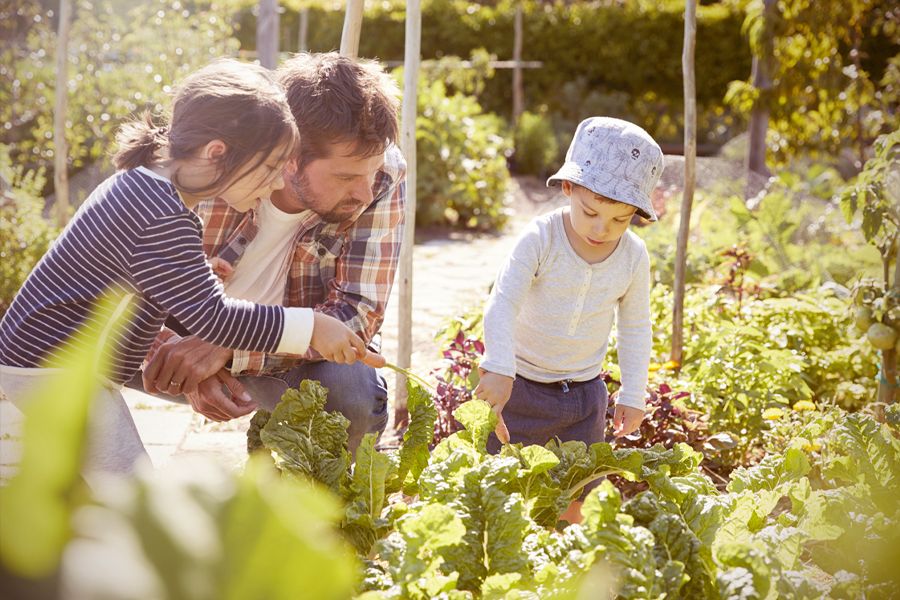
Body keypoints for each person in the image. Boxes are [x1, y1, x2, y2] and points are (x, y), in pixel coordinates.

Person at [0, 59, 382, 484]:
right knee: (130, 495)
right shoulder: (163, 214)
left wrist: (197, 270)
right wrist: (311, 325)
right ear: (216, 153)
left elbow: (136, 274)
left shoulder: (144, 187)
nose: (276, 184)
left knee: (91, 489)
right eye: (271, 168)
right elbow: (214, 319)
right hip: (55, 370)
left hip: (48, 363)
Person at [138, 52, 406, 454]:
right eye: (347, 177)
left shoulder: (382, 176)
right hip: (180, 340)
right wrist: (188, 370)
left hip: (287, 353)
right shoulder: (204, 170)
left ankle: (283, 484)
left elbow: (357, 313)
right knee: (76, 347)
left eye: (370, 172)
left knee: (352, 396)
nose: (365, 193)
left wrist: (227, 344)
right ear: (291, 160)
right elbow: (118, 295)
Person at [474, 116, 663, 521]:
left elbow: (635, 327)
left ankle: (562, 575)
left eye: (620, 219)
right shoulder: (541, 238)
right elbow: (503, 301)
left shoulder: (632, 257)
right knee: (504, 494)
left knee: (573, 498)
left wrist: (633, 393)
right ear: (568, 188)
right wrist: (498, 367)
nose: (602, 228)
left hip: (584, 398)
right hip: (519, 389)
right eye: (591, 211)